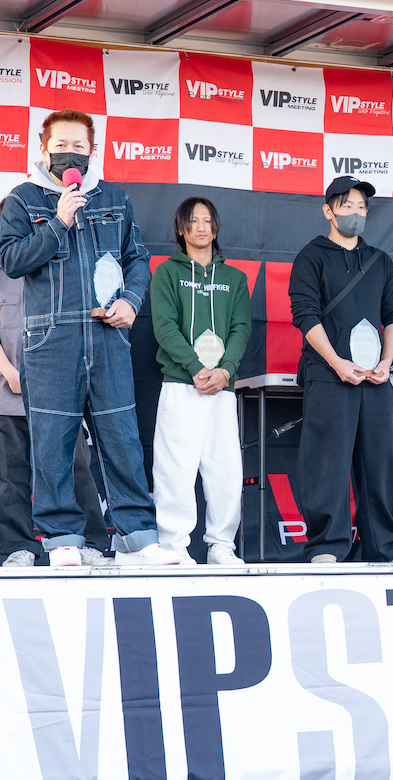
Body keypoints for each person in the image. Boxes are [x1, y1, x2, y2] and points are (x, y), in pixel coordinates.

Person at [0, 109, 180, 567]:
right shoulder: (23, 199)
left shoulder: (113, 197)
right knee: (52, 442)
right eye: (60, 145)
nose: (70, 153)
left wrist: (131, 302)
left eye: (79, 146)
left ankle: (139, 536)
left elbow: (137, 258)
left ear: (92, 151)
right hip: (50, 341)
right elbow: (12, 261)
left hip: (107, 336)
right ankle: (62, 539)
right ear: (44, 149)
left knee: (122, 438)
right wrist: (58, 221)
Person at [288, 175, 393, 564]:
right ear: (328, 211)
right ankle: (326, 547)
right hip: (328, 375)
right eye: (347, 206)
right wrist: (336, 362)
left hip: (374, 379)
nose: (356, 213)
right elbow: (305, 315)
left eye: (362, 207)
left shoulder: (379, 260)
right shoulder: (311, 257)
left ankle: (386, 548)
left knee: (382, 463)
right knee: (327, 462)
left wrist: (386, 362)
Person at [0, 241, 113, 568]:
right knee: (8, 477)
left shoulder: (63, 270)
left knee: (75, 471)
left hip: (59, 396)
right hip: (3, 396)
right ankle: (20, 548)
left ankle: (89, 544)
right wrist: (11, 374)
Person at [150, 197, 251, 565]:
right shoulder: (166, 272)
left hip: (222, 387)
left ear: (216, 227)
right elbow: (164, 327)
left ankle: (221, 545)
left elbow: (241, 328)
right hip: (182, 384)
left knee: (226, 470)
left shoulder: (234, 278)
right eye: (193, 221)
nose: (201, 227)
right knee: (174, 469)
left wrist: (225, 370)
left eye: (207, 220)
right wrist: (194, 367)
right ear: (181, 229)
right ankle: (174, 546)